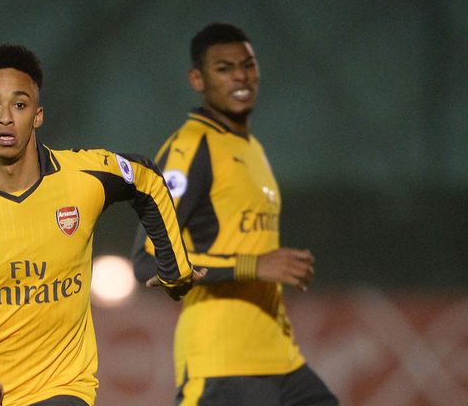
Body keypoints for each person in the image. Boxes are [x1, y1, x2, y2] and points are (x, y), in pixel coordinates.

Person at [0, 44, 199, 406]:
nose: (5, 118)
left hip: (62, 389)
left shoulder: (82, 178)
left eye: (19, 104)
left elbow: (146, 179)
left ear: (38, 114)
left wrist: (175, 268)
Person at [132, 23, 338, 405]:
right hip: (222, 364)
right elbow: (146, 260)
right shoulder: (191, 147)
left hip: (280, 355)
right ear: (197, 79)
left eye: (248, 65)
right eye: (224, 68)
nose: (241, 76)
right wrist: (252, 265)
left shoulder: (252, 147)